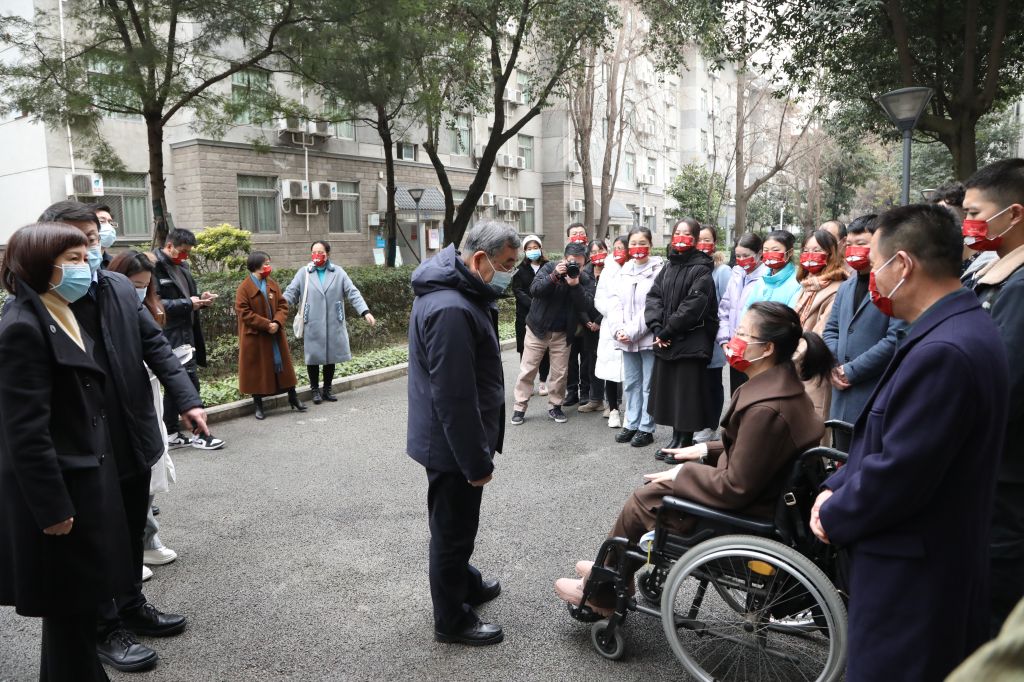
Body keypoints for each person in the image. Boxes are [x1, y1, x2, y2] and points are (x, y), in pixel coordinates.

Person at [811, 204, 1009, 682]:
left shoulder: (946, 349)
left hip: (914, 570)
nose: (871, 277)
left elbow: (903, 470)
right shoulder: (952, 328)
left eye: (875, 264)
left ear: (903, 265)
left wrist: (834, 511)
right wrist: (840, 483)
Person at [554, 302, 829, 610]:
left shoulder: (766, 407)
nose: (733, 339)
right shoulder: (783, 389)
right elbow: (756, 449)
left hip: (746, 516)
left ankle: (601, 592)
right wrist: (704, 450)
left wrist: (683, 474)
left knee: (644, 501)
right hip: (764, 500)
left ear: (766, 348)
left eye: (741, 333)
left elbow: (735, 486)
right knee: (655, 491)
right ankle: (610, 571)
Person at [36, 201, 207, 673]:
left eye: (93, 237)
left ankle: (132, 605)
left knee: (132, 526)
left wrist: (187, 400)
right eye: (78, 242)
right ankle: (104, 628)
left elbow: (154, 344)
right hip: (84, 447)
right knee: (97, 538)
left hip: (132, 432)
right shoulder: (42, 303)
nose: (91, 249)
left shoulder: (115, 286)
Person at [0, 223, 135, 681]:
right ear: (41, 265)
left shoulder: (61, 309)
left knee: (75, 612)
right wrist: (52, 508)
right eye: (74, 259)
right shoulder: (22, 325)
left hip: (85, 481)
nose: (87, 265)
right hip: (63, 494)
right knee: (70, 610)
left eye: (86, 255)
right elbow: (24, 432)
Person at [406, 221, 520, 646]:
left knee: (458, 525)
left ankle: (465, 582)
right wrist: (476, 461)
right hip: (452, 444)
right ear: (478, 259)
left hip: (450, 438)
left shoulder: (460, 293)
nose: (509, 273)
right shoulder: (452, 307)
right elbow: (454, 397)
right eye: (506, 264)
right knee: (452, 533)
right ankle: (451, 620)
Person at [963, 158, 1024, 635]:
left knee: (992, 613)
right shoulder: (997, 272)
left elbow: (997, 385)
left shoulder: (1019, 288)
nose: (968, 224)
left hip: (1006, 482)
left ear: (1015, 214)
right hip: (995, 476)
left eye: (976, 212)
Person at [105, 251, 178, 570]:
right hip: (124, 402)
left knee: (153, 469)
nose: (140, 290)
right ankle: (135, 547)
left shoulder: (148, 305)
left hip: (150, 396)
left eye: (145, 285)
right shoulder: (105, 304)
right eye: (135, 284)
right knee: (133, 476)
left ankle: (144, 541)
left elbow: (158, 349)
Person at [822, 214, 904, 453]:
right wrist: (834, 364)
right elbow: (832, 329)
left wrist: (851, 371)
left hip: (873, 393)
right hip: (840, 395)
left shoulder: (893, 286)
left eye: (863, 244)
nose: (855, 250)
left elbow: (894, 339)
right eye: (851, 244)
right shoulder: (847, 285)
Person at [645, 218, 718, 460]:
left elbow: (693, 307)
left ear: (696, 239)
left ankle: (684, 442)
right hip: (666, 339)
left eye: (687, 234)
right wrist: (657, 328)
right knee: (670, 393)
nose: (681, 237)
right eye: (677, 232)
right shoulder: (668, 266)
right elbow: (654, 297)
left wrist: (667, 331)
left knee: (686, 395)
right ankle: (675, 439)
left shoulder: (702, 269)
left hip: (690, 342)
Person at [153, 228, 225, 451]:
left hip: (188, 331)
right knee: (187, 383)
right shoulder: (154, 266)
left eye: (188, 253)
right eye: (182, 251)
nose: (185, 256)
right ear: (169, 246)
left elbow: (189, 296)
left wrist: (201, 299)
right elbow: (154, 304)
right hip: (170, 334)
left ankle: (172, 433)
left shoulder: (182, 266)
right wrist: (188, 304)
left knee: (178, 384)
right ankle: (201, 434)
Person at [510, 241, 594, 425]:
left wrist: (575, 285)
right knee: (528, 369)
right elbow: (535, 290)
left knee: (560, 373)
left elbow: (586, 305)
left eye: (579, 265)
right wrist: (555, 276)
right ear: (564, 258)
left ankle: (555, 406)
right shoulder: (549, 267)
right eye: (571, 262)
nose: (574, 267)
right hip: (537, 328)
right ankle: (519, 407)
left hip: (563, 333)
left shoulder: (584, 279)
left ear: (585, 263)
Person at [284, 241, 376, 404]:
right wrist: (278, 307)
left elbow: (352, 292)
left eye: (321, 252)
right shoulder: (304, 273)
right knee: (313, 357)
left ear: (328, 254)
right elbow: (291, 292)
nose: (317, 255)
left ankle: (327, 389)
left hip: (333, 321)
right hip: (312, 321)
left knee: (330, 357)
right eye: (314, 252)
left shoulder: (338, 273)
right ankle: (314, 390)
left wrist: (365, 311)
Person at [606, 227, 663, 447]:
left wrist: (631, 331)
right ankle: (631, 423)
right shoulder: (624, 270)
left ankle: (646, 427)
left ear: (650, 245)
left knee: (649, 384)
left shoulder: (659, 270)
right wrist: (618, 329)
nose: (638, 248)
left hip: (647, 336)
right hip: (624, 338)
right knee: (631, 383)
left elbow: (654, 305)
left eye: (642, 243)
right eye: (634, 244)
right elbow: (614, 301)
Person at [236, 252, 306, 420]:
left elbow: (283, 305)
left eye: (268, 262)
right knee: (257, 370)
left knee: (282, 366)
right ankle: (258, 404)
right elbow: (244, 313)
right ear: (256, 265)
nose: (268, 266)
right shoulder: (244, 288)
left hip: (275, 334)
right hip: (256, 336)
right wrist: (267, 325)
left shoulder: (271, 283)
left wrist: (277, 322)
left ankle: (293, 397)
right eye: (265, 263)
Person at [794, 229, 847, 427]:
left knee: (812, 427)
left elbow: (820, 336)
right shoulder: (807, 286)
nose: (809, 256)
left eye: (816, 250)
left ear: (831, 253)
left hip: (812, 369)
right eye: (806, 250)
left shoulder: (836, 289)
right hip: (795, 369)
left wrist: (783, 358)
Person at [717, 232, 767, 394]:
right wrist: (725, 340)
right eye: (738, 256)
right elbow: (724, 309)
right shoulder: (736, 274)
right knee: (737, 395)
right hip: (735, 349)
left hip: (756, 352)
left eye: (746, 255)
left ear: (759, 254)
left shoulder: (767, 278)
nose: (741, 260)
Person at [696, 226, 732, 442]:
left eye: (707, 239)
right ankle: (699, 422)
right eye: (698, 239)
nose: (702, 244)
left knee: (712, 382)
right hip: (692, 338)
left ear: (715, 243)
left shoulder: (722, 271)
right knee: (697, 383)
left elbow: (727, 305)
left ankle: (711, 426)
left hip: (712, 336)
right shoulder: (693, 267)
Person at [593, 236, 628, 429]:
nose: (618, 251)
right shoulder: (608, 271)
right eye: (615, 248)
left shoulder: (635, 268)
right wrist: (614, 314)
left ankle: (631, 410)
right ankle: (613, 409)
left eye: (622, 247)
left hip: (632, 327)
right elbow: (599, 299)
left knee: (633, 372)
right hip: (610, 327)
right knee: (611, 371)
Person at [510, 234, 550, 396]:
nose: (533, 251)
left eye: (535, 248)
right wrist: (533, 303)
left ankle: (543, 382)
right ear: (524, 251)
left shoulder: (548, 266)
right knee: (524, 350)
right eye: (529, 248)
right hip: (524, 316)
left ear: (540, 249)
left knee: (544, 350)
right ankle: (527, 382)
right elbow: (517, 291)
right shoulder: (519, 270)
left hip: (545, 315)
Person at [577, 240, 609, 415]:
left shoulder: (614, 271)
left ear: (607, 250)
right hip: (588, 326)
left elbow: (614, 299)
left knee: (611, 363)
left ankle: (613, 403)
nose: (598, 254)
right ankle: (595, 399)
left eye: (601, 250)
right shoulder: (584, 273)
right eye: (594, 251)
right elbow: (577, 298)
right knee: (592, 363)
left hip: (607, 323)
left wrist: (598, 321)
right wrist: (586, 320)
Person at [564, 223, 590, 406]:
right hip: (569, 320)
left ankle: (585, 392)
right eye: (574, 234)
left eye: (582, 234)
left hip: (588, 320)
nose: (578, 237)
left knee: (587, 358)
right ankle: (571, 391)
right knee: (570, 359)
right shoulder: (564, 263)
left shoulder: (592, 263)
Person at [745, 229, 801, 311]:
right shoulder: (761, 281)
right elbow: (747, 308)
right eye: (766, 250)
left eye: (775, 250)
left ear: (790, 252)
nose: (770, 254)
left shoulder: (797, 283)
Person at [94, 205, 117, 270]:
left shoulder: (114, 264)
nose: (108, 226)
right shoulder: (79, 263)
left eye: (110, 222)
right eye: (101, 221)